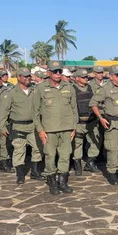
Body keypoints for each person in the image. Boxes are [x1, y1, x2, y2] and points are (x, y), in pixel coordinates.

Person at [33, 61, 78, 195]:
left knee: (65, 156)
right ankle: (52, 182)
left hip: (66, 129)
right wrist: (40, 130)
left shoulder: (69, 87)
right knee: (50, 156)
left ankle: (63, 182)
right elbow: (35, 112)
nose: (58, 74)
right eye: (55, 71)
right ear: (49, 73)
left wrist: (74, 127)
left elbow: (74, 108)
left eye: (59, 71)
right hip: (49, 130)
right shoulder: (40, 88)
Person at [90, 65, 118, 185]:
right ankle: (111, 172)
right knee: (112, 149)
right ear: (111, 76)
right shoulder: (105, 89)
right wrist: (100, 118)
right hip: (113, 123)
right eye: (117, 74)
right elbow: (93, 103)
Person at [0, 67, 43, 184]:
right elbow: (4, 111)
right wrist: (2, 126)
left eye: (29, 76)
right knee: (19, 150)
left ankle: (35, 171)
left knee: (38, 148)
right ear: (18, 77)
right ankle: (20, 174)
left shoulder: (34, 91)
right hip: (18, 126)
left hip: (33, 125)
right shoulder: (11, 93)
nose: (28, 78)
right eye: (25, 76)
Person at [72, 69, 101, 175]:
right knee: (77, 144)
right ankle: (77, 164)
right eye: (83, 77)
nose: (86, 79)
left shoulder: (91, 88)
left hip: (91, 121)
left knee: (96, 142)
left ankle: (90, 162)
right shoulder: (72, 89)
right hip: (78, 122)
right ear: (77, 78)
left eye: (87, 77)